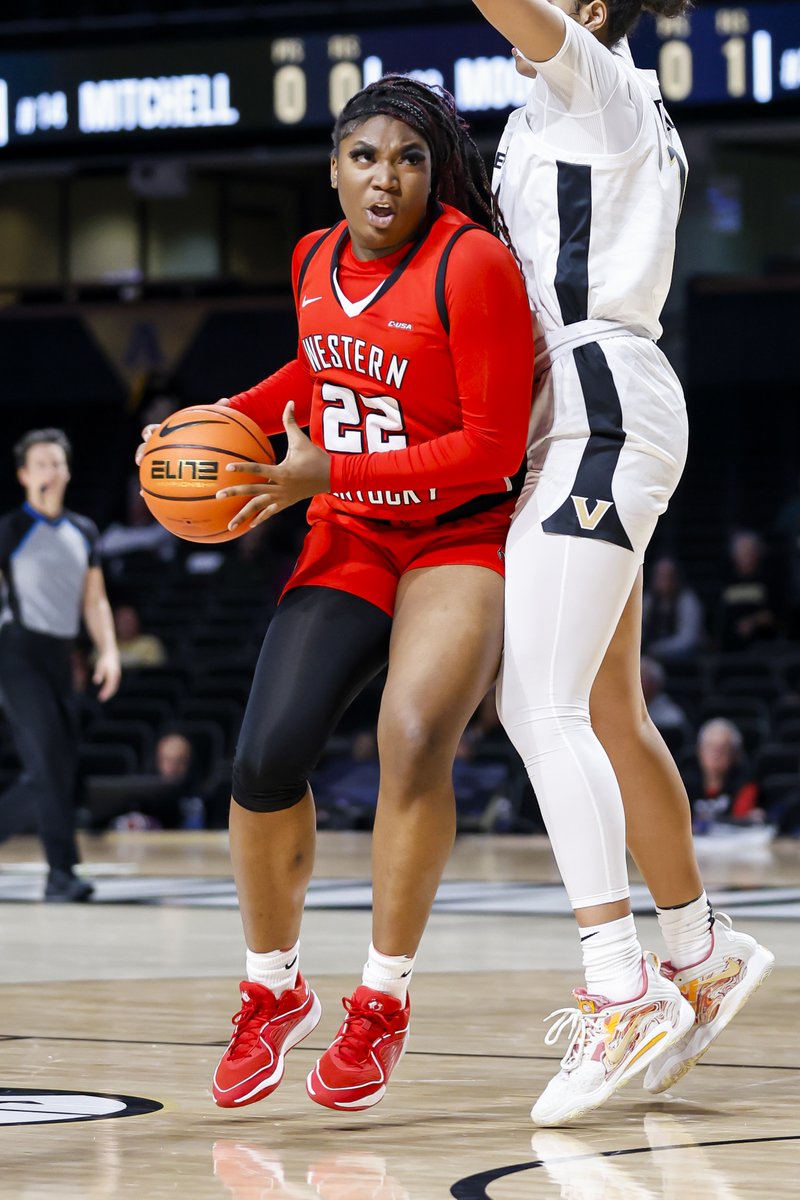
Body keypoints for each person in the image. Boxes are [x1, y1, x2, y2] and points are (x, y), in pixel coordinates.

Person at [137, 76, 533, 1111]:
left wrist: (328, 477)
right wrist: (215, 416)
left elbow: (490, 451)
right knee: (263, 759)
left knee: (411, 736)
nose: (384, 177)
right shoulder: (313, 258)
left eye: (406, 157)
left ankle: (381, 1002)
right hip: (350, 536)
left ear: (433, 169)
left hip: (454, 535)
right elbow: (314, 375)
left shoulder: (472, 263)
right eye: (364, 157)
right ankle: (273, 990)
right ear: (332, 169)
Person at [473, 0, 774, 1125]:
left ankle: (618, 986)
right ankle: (695, 952)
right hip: (597, 406)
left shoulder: (593, 79)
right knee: (603, 709)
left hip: (596, 399)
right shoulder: (568, 103)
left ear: (588, 11)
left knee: (533, 702)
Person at [0, 428, 121, 901]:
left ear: (68, 471)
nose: (51, 471)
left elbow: (96, 602)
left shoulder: (83, 531)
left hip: (59, 654)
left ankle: (58, 868)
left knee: (56, 765)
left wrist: (108, 651)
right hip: (15, 651)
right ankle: (62, 874)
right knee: (48, 753)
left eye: (57, 462)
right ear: (24, 475)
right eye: (41, 464)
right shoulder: (10, 530)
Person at [681, 718, 762, 832]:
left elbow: (741, 821)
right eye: (710, 747)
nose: (715, 754)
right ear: (700, 751)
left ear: (735, 754)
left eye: (722, 749)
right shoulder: (683, 785)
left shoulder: (745, 785)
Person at [715, 530, 780, 651]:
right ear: (734, 556)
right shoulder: (725, 581)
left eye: (750, 551)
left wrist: (753, 621)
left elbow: (776, 613)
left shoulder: (769, 580)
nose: (746, 556)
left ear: (757, 553)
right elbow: (717, 613)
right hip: (727, 648)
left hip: (762, 647)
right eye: (742, 552)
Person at [642, 556, 705, 662]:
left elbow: (688, 639)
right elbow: (639, 631)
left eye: (668, 576)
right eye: (660, 576)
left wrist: (658, 649)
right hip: (651, 655)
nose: (664, 580)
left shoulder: (687, 600)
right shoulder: (648, 600)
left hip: (682, 656)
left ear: (676, 577)